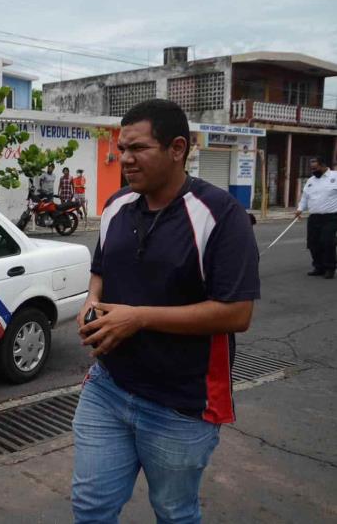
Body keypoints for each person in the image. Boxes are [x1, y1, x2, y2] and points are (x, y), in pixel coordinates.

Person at [73, 99, 259, 524]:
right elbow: (101, 268)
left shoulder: (221, 215)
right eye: (122, 149)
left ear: (177, 149)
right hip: (108, 388)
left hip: (182, 403)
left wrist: (138, 317)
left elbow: (237, 313)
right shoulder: (117, 205)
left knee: (174, 512)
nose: (125, 159)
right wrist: (92, 299)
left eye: (138, 148)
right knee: (90, 508)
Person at [295, 156, 337, 279]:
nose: (313, 170)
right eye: (311, 168)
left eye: (315, 168)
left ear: (323, 165)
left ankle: (330, 268)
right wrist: (299, 209)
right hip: (314, 217)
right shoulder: (311, 181)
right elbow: (305, 197)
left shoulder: (335, 176)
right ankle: (318, 267)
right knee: (313, 243)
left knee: (327, 242)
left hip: (331, 217)